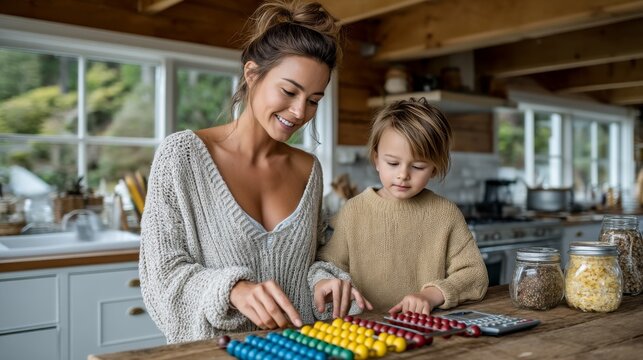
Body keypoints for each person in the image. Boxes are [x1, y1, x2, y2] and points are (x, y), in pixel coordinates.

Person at [139, 0, 369, 344]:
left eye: (314, 100)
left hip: (302, 350)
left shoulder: (309, 169)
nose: (299, 111)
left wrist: (324, 279)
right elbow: (161, 275)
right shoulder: (181, 157)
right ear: (252, 74)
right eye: (289, 91)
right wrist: (232, 290)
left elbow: (315, 259)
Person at [312, 97, 488, 315]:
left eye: (418, 166)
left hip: (426, 331)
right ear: (376, 159)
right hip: (363, 333)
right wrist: (325, 282)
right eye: (392, 163)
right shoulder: (353, 211)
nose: (403, 175)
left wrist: (430, 295)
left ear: (434, 168)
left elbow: (475, 274)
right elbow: (327, 265)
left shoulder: (445, 214)